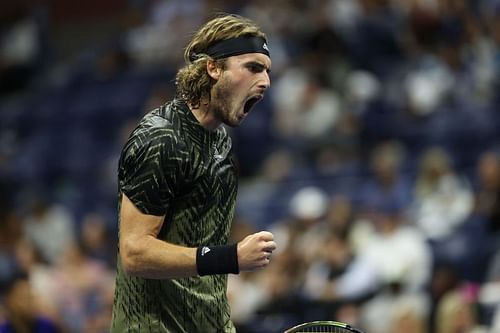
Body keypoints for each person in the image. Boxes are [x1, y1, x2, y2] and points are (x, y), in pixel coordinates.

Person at [110, 13, 276, 333]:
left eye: (267, 71)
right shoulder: (161, 138)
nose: (266, 81)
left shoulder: (222, 144)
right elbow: (134, 252)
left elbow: (199, 254)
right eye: (253, 68)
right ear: (213, 68)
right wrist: (230, 257)